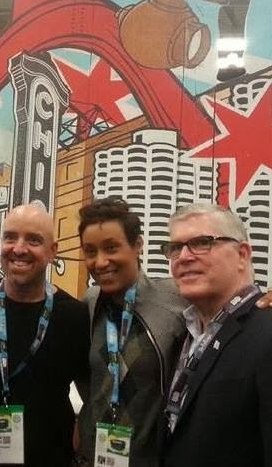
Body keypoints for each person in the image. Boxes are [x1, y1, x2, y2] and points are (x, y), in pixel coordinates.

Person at [0, 204, 90, 467]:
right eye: (10, 237)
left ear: (53, 251)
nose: (19, 248)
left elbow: (89, 392)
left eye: (33, 240)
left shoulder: (74, 316)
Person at [160, 203, 272, 467]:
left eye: (202, 242)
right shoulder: (182, 334)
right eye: (175, 247)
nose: (183, 256)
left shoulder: (267, 331)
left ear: (242, 255)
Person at [76, 197, 186, 467]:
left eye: (111, 248)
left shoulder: (177, 300)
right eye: (90, 251)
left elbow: (230, 307)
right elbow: (85, 380)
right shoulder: (89, 303)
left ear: (137, 245)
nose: (100, 262)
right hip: (94, 457)